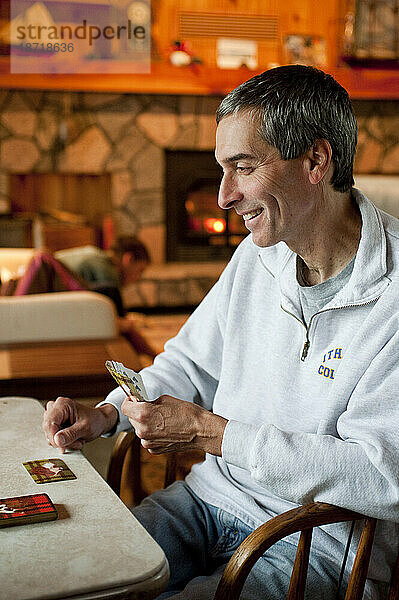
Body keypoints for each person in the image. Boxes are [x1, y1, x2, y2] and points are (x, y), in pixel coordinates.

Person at [42, 66, 399, 599]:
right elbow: (189, 363)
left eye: (243, 167)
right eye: (219, 170)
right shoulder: (258, 258)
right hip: (208, 499)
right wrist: (109, 412)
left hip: (313, 544)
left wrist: (214, 434)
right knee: (79, 578)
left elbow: (382, 477)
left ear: (316, 162)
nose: (223, 196)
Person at [2, 236, 157, 360]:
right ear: (128, 259)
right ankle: (154, 356)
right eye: (140, 270)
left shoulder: (94, 255)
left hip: (36, 289)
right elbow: (112, 307)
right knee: (120, 316)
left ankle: (154, 356)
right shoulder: (106, 268)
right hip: (35, 288)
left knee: (121, 320)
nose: (138, 278)